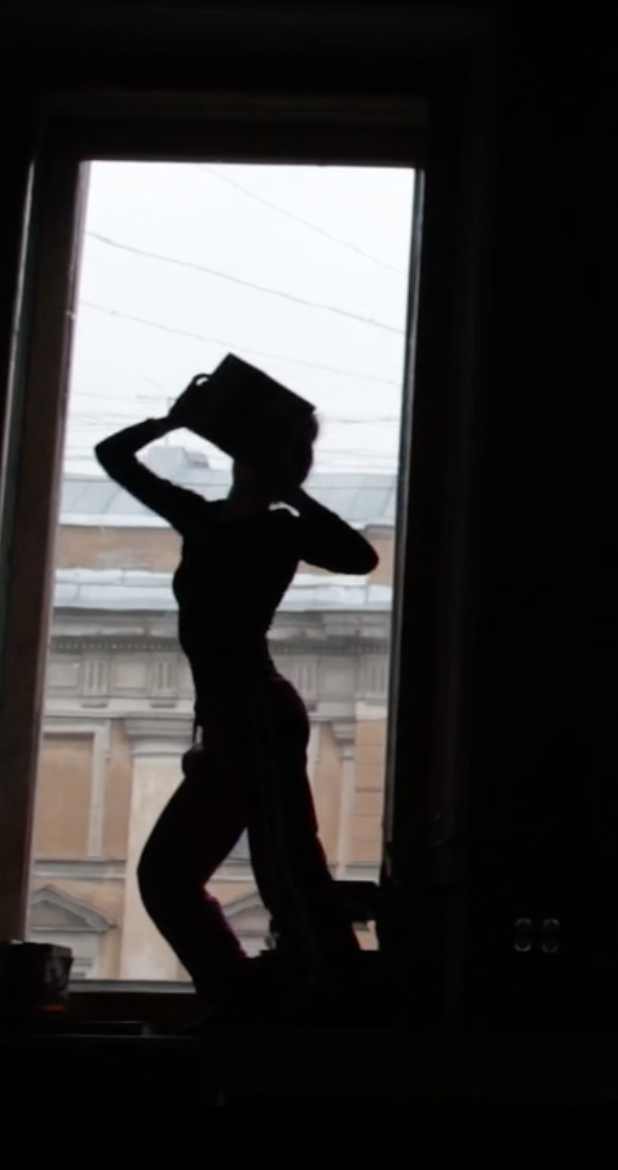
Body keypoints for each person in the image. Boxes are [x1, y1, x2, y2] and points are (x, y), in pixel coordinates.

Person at [96, 389, 379, 1024]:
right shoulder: (200, 518)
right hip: (230, 718)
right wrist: (177, 418)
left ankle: (327, 998)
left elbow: (359, 558)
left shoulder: (279, 530)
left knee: (285, 868)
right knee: (170, 876)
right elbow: (113, 455)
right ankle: (242, 995)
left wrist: (292, 493)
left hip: (255, 711)